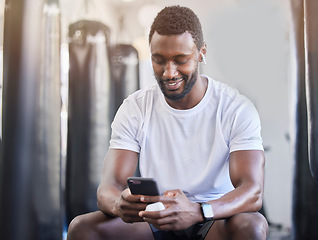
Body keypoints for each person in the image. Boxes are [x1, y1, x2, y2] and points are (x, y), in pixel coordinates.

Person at [67, 5, 268, 240]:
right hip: (156, 219)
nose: (169, 73)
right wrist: (118, 204)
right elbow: (108, 187)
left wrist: (198, 210)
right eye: (159, 60)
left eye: (180, 60)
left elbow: (253, 192)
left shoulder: (235, 108)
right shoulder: (135, 108)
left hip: (213, 219)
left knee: (252, 226)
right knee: (82, 228)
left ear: (201, 53)